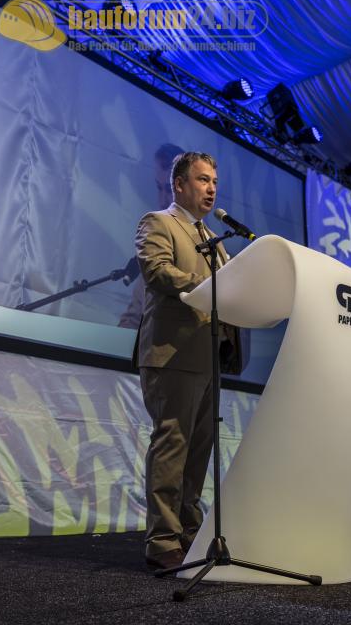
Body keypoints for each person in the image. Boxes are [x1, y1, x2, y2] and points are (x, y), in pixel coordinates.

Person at [133, 151, 242, 569]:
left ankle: (190, 531)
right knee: (172, 444)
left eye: (214, 181)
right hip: (172, 354)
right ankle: (162, 540)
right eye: (202, 179)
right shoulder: (158, 222)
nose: (211, 188)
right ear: (178, 184)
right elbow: (157, 271)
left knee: (199, 449)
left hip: (209, 356)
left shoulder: (213, 238)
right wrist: (209, 288)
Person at [118, 144, 184, 329]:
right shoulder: (155, 254)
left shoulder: (217, 256)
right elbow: (133, 319)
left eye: (169, 190)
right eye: (159, 188)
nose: (162, 201)